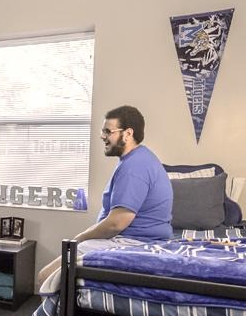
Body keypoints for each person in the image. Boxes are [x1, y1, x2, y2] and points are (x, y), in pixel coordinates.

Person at [37, 106, 173, 284]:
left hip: (131, 241)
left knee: (44, 277)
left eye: (108, 131)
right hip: (136, 239)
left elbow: (117, 223)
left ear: (128, 134)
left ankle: (57, 312)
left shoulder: (134, 167)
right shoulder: (139, 159)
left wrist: (80, 238)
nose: (102, 136)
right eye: (103, 131)